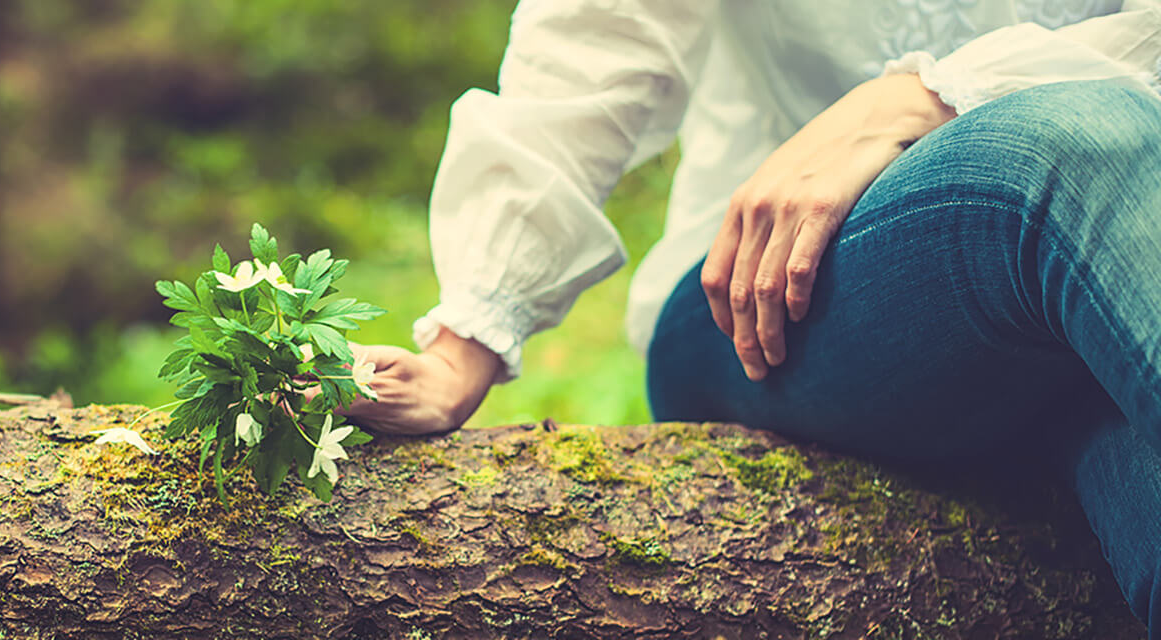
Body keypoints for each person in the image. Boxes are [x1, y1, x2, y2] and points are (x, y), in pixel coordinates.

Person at [338, 0, 1161, 631]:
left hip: (1112, 287)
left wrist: (913, 102)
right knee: (1082, 138)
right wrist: (468, 336)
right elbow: (595, 43)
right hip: (771, 300)